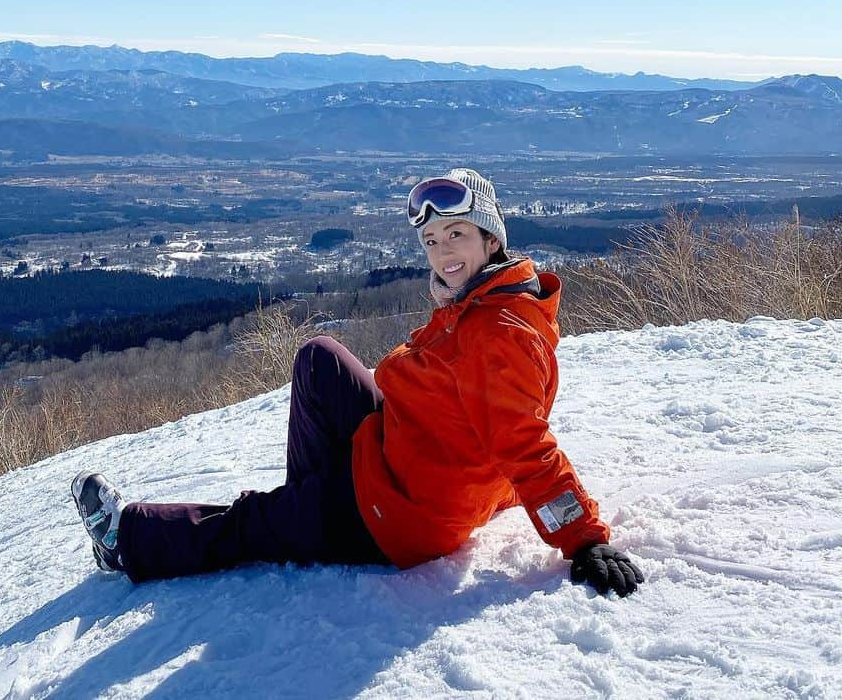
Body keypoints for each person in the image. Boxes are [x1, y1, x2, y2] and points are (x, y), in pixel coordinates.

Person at [71, 168, 643, 597]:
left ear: (491, 239)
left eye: (457, 236)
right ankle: (309, 512)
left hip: (402, 514)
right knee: (320, 360)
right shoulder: (484, 300)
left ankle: (131, 540)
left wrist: (584, 538)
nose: (443, 253)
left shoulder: (500, 332)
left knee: (249, 522)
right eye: (433, 241)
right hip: (406, 451)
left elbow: (524, 443)